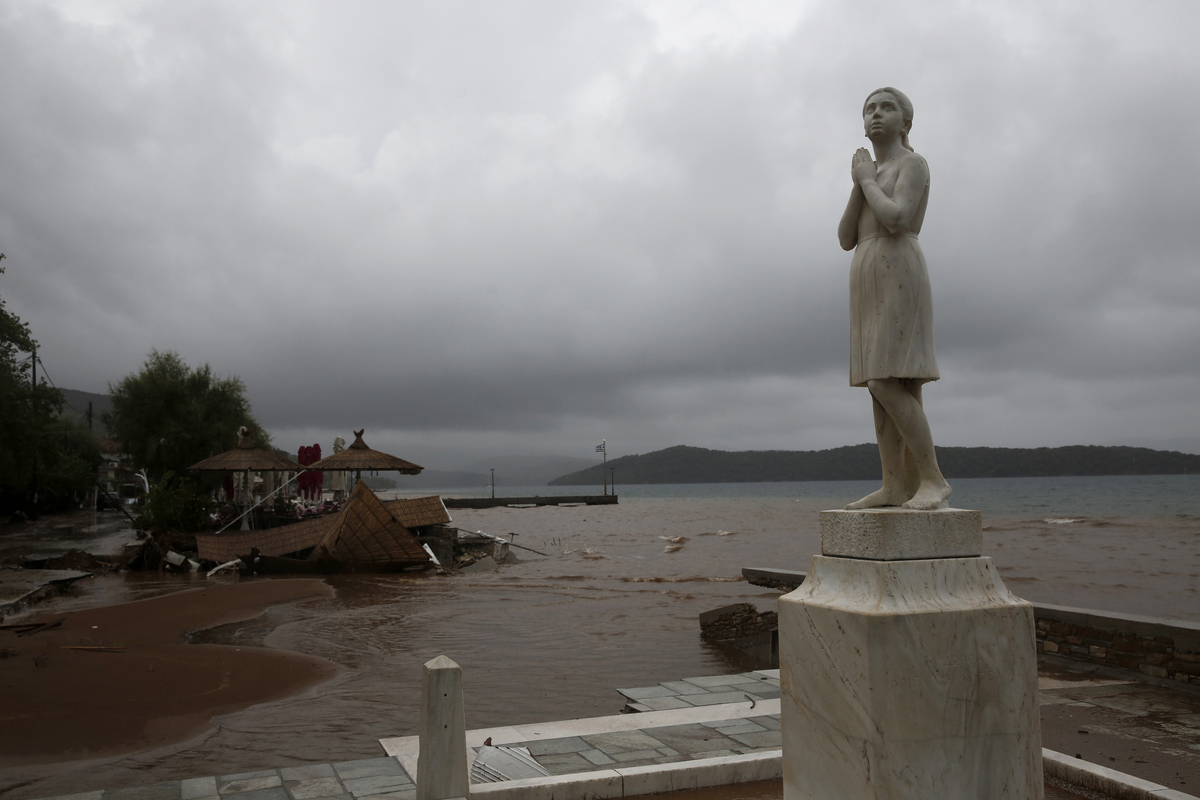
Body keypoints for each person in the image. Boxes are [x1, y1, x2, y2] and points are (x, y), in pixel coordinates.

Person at [837, 87, 952, 510]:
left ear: (906, 123)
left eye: (887, 107)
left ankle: (932, 479)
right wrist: (860, 183)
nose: (876, 114)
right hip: (867, 273)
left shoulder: (913, 164)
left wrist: (866, 179)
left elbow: (897, 218)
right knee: (879, 384)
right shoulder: (871, 175)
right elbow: (846, 237)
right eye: (869, 109)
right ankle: (895, 484)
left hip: (898, 268)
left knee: (890, 379)